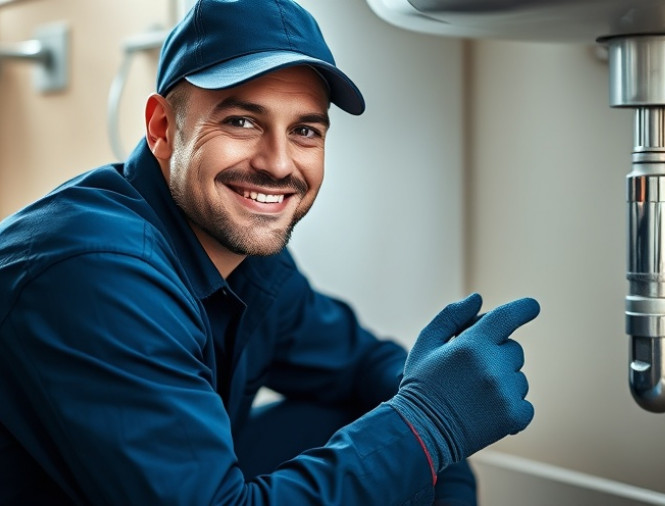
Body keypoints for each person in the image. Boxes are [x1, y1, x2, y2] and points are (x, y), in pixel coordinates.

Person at [0, 0, 541, 504]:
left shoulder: (245, 256)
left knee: (377, 419)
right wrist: (432, 423)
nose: (280, 164)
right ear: (163, 128)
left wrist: (434, 423)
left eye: (305, 130)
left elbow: (362, 365)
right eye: (242, 121)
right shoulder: (98, 273)